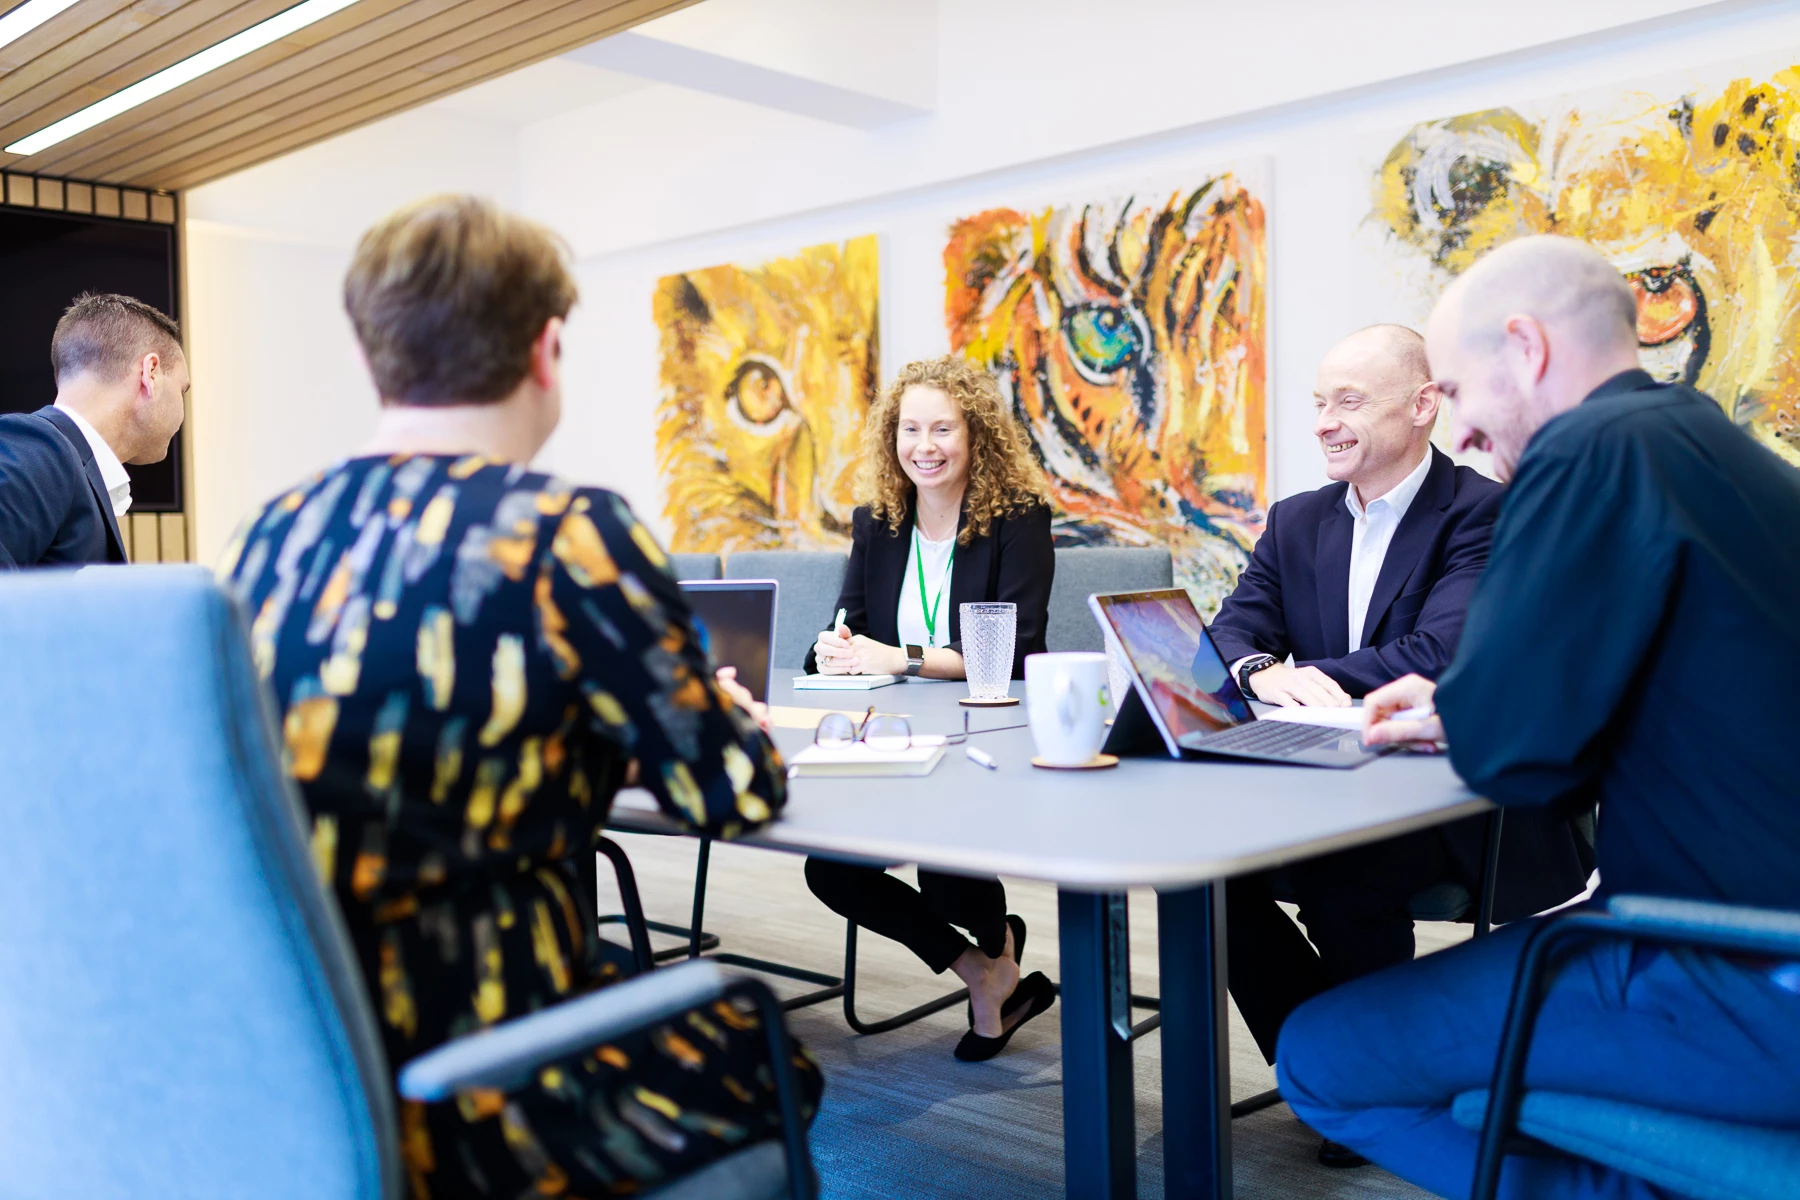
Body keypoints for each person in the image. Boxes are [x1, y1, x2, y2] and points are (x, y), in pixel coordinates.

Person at [218, 195, 822, 1198]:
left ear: (375, 355)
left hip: (296, 1078)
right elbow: (732, 794)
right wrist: (712, 723)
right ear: (547, 350)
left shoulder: (269, 535)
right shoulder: (565, 533)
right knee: (774, 1058)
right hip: (492, 1091)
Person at [1277, 235, 1800, 1199]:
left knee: (1319, 1061)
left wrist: (1479, 707)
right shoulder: (1716, 451)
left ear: (1526, 348)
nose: (1464, 436)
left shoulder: (1586, 454)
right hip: (1751, 932)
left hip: (1733, 971)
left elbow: (1523, 764)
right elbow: (1668, 686)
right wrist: (1464, 704)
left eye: (1462, 396)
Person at [1207, 326, 1592, 1166]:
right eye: (1319, 403)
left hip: (1451, 798)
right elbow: (1234, 627)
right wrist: (1259, 669)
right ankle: (1335, 1066)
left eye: (1348, 401)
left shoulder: (1483, 511)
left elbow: (1440, 652)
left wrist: (1305, 672)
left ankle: (1357, 1076)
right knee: (1202, 869)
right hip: (1315, 777)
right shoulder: (1296, 520)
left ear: (1423, 406)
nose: (1324, 423)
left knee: (1345, 869)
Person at [802, 355, 1057, 1061]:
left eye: (942, 428)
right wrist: (836, 648)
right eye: (910, 429)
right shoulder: (878, 523)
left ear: (975, 435)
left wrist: (900, 658)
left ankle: (996, 945)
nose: (926, 445)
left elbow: (1015, 650)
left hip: (988, 740)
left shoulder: (1017, 519)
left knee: (947, 876)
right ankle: (986, 970)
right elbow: (845, 624)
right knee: (830, 869)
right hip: (894, 744)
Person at [0, 292, 187, 567]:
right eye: (183, 389)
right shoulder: (43, 450)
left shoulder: (62, 465)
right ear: (151, 373)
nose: (183, 410)